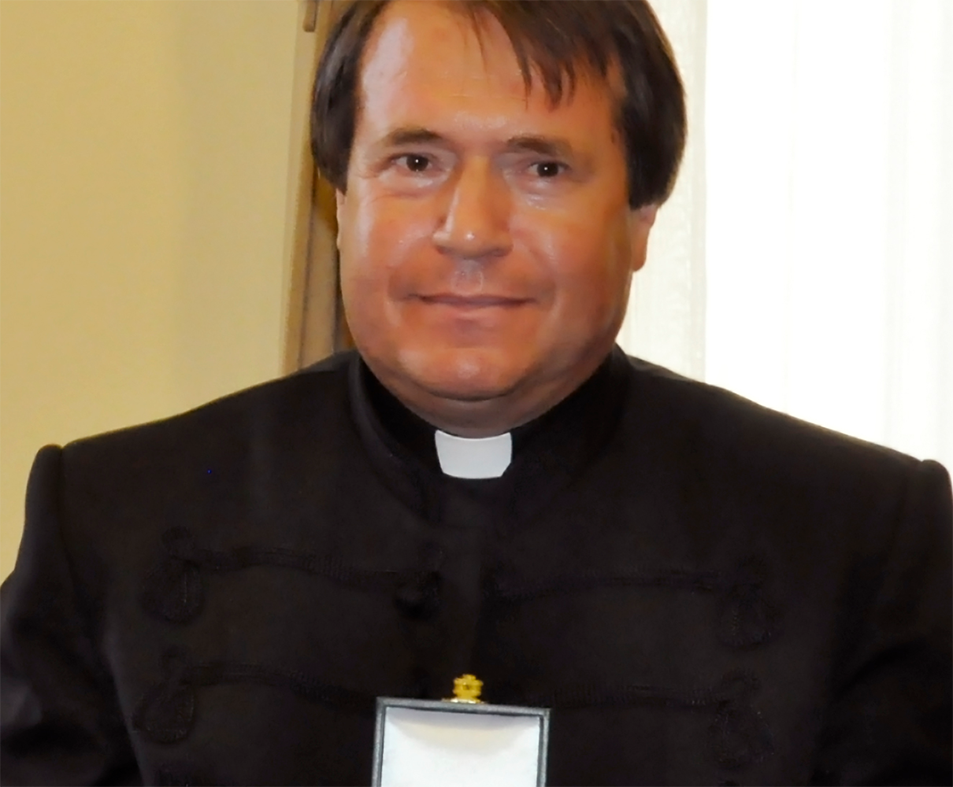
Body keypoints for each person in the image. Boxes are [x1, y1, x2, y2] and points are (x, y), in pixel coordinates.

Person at [2, 0, 952, 783]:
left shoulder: (859, 539)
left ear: (640, 218)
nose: (469, 230)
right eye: (415, 162)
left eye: (541, 168)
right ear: (341, 197)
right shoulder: (111, 525)